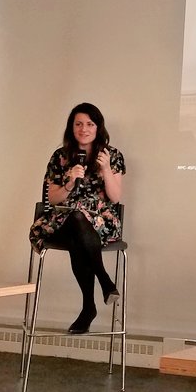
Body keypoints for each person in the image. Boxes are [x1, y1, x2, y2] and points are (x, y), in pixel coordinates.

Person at [28, 103, 126, 334]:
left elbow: (115, 196)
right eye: (79, 124)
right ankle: (105, 282)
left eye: (90, 124)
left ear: (98, 127)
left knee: (78, 233)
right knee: (75, 218)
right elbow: (52, 198)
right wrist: (70, 183)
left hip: (100, 221)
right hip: (62, 219)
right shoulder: (60, 156)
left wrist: (106, 171)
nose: (84, 129)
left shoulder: (112, 156)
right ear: (72, 128)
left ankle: (88, 308)